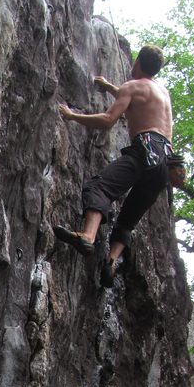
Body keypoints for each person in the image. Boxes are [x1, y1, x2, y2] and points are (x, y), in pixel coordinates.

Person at [55, 45, 173, 287]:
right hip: (163, 164)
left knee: (99, 188)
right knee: (128, 220)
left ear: (137, 61)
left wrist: (71, 115)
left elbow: (109, 120)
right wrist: (110, 87)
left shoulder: (132, 87)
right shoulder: (163, 93)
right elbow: (139, 103)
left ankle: (87, 235)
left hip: (144, 150)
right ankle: (110, 263)